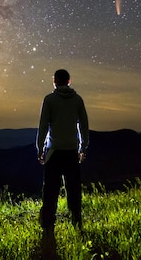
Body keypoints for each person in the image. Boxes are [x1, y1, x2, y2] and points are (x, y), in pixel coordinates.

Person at [36, 69, 89, 233]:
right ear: (69, 81)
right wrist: (82, 147)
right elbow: (84, 125)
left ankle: (48, 226)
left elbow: (43, 126)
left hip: (54, 152)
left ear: (55, 81)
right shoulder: (78, 100)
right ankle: (76, 222)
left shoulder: (50, 100)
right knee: (74, 189)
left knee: (51, 191)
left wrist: (40, 148)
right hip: (72, 151)